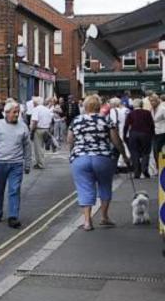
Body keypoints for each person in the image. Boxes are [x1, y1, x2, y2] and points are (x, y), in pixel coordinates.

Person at [68, 94, 125, 231]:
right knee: (105, 186)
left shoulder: (76, 120)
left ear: (85, 106)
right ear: (99, 106)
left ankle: (87, 221)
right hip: (103, 158)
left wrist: (73, 153)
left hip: (80, 158)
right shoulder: (106, 120)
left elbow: (70, 140)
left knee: (84, 188)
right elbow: (116, 140)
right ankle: (104, 217)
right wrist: (124, 155)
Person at [0, 101, 33, 229]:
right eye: (14, 112)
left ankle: (13, 216)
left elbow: (27, 147)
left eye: (18, 112)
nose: (17, 114)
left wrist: (27, 164)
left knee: (14, 190)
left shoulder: (23, 127)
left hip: (16, 164)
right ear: (6, 113)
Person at [123, 98, 155, 180]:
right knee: (146, 152)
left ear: (134, 105)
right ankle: (144, 169)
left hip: (134, 134)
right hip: (145, 134)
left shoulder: (131, 114)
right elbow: (151, 124)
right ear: (142, 105)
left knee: (134, 153)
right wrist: (152, 134)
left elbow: (126, 125)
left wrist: (124, 135)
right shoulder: (147, 113)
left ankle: (137, 172)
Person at [28, 97, 55, 169]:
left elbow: (35, 121)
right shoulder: (46, 109)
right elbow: (50, 120)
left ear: (36, 103)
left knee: (38, 148)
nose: (33, 104)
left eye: (33, 103)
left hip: (38, 129)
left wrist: (32, 130)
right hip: (46, 129)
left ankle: (40, 164)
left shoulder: (36, 109)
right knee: (41, 147)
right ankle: (40, 162)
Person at [150, 94, 165, 176]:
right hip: (155, 132)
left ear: (157, 100)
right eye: (151, 101)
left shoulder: (162, 109)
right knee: (156, 151)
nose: (152, 102)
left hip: (163, 132)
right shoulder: (152, 109)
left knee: (158, 151)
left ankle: (161, 169)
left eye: (153, 101)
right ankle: (159, 169)